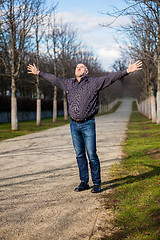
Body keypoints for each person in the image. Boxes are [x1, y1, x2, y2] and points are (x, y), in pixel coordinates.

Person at [27, 60, 142, 193]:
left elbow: (110, 78)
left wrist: (127, 71)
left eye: (81, 67)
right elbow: (55, 79)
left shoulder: (94, 83)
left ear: (86, 72)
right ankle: (84, 182)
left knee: (92, 154)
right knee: (80, 154)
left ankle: (97, 183)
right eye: (77, 67)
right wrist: (39, 73)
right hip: (74, 125)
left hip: (88, 124)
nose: (78, 68)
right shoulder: (69, 84)